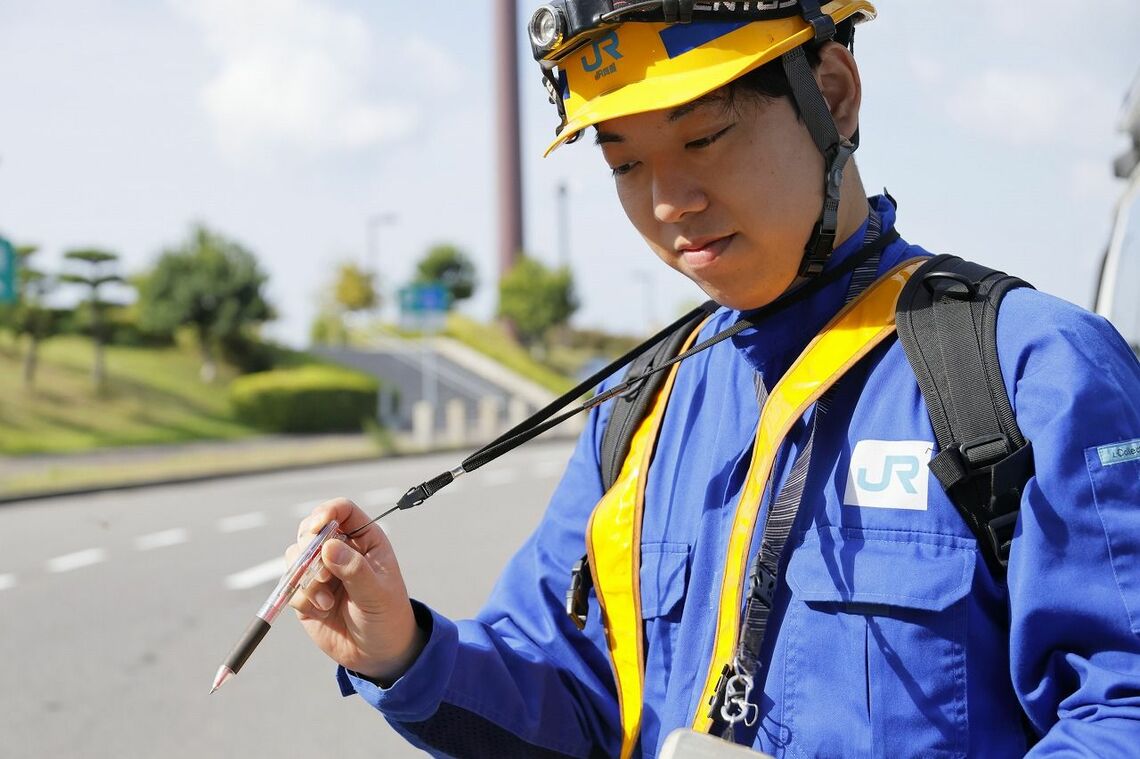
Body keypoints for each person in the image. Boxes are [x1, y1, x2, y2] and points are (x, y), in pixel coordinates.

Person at [288, 2, 1140, 756]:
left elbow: (1123, 708)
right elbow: (574, 698)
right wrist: (402, 647)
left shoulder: (1034, 370)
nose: (667, 200)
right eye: (624, 163)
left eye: (703, 137)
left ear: (833, 95)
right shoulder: (639, 408)